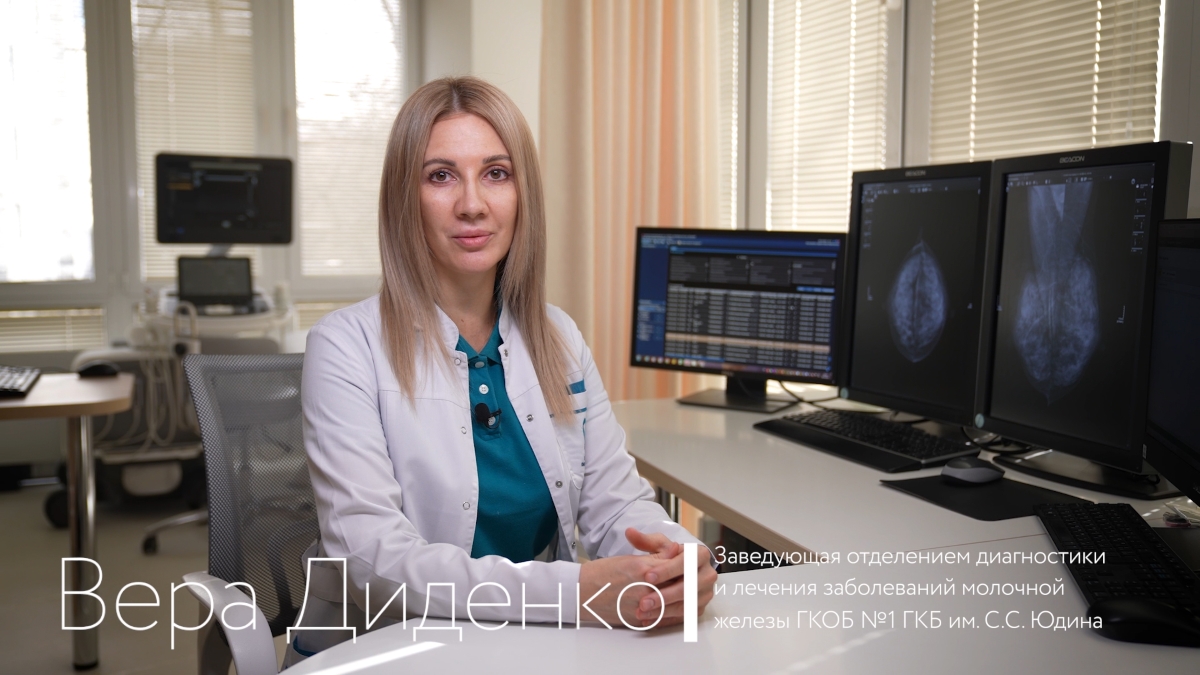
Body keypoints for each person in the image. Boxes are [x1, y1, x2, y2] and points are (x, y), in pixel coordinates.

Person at [291, 76, 716, 660]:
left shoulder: (559, 337)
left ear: (522, 195)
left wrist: (675, 556)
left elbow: (616, 502)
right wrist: (576, 592)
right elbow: (371, 559)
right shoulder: (345, 346)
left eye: (496, 173)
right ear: (404, 198)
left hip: (526, 644)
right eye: (441, 176)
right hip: (389, 650)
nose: (473, 204)